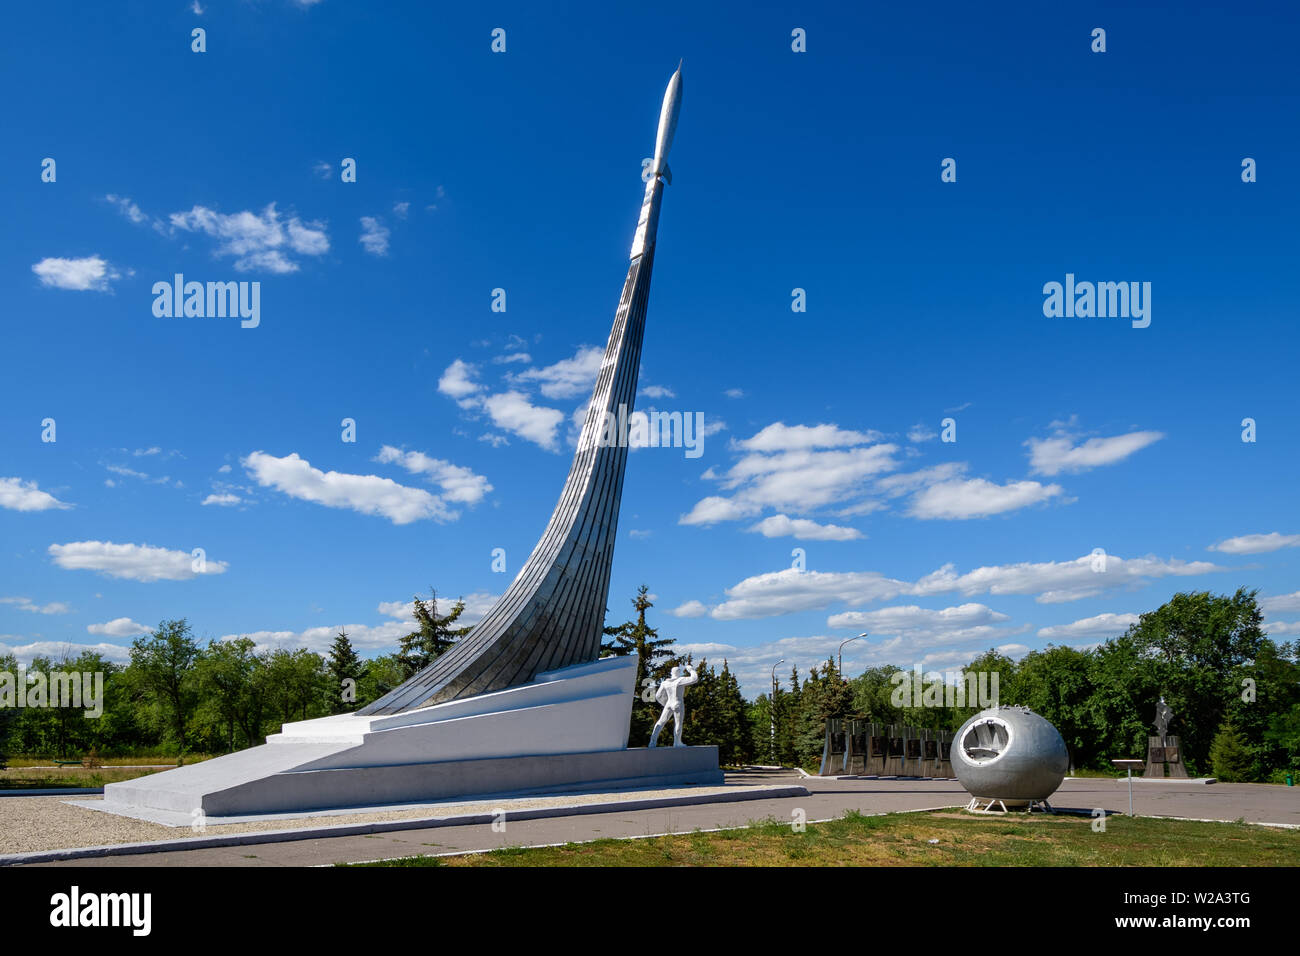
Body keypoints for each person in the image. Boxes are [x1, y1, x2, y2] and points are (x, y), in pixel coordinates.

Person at [648, 663, 698, 748]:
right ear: (679, 673)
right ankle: (677, 742)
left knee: (661, 722)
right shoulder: (680, 680)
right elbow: (694, 678)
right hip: (678, 703)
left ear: (671, 673)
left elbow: (658, 696)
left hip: (669, 703)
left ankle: (652, 742)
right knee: (678, 723)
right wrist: (691, 669)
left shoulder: (665, 683)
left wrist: (665, 703)